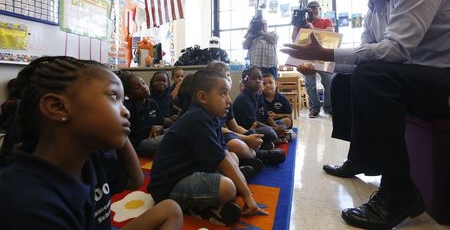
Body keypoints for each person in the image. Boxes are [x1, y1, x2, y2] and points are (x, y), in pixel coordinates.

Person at [281, 0, 450, 229]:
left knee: (371, 75)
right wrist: (321, 66)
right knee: (348, 79)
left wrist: (329, 53)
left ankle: (398, 192)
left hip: (442, 76)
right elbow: (366, 58)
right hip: (417, 76)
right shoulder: (374, 7)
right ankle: (360, 158)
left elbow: (395, 51)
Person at [0, 56, 183, 230]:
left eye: (123, 100)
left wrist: (119, 130)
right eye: (113, 97)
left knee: (170, 210)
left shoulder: (90, 159)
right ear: (57, 107)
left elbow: (135, 180)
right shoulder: (28, 201)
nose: (126, 111)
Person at [147, 69, 268, 227]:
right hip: (168, 187)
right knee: (229, 188)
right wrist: (247, 194)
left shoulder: (212, 117)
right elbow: (221, 160)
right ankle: (199, 209)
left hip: (192, 169)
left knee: (233, 156)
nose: (229, 100)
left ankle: (229, 184)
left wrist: (240, 183)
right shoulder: (197, 119)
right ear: (203, 97)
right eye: (223, 93)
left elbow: (223, 154)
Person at [291, 1, 333, 118]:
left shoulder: (326, 21)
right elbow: (295, 39)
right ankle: (314, 108)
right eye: (309, 9)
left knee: (329, 82)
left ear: (320, 9)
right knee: (310, 84)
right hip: (308, 58)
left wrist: (312, 28)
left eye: (314, 8)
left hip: (323, 57)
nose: (312, 10)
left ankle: (329, 107)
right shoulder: (302, 23)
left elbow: (331, 33)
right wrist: (296, 25)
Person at [233, 66, 289, 153]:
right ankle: (274, 139)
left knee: (282, 123)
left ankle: (272, 140)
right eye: (254, 78)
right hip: (248, 131)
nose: (258, 81)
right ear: (245, 81)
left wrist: (277, 128)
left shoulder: (258, 97)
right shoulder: (243, 99)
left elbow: (267, 116)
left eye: (260, 78)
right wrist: (274, 130)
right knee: (270, 132)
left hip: (261, 127)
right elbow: (254, 123)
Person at [119, 71, 167, 157]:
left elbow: (161, 123)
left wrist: (160, 127)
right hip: (141, 143)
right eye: (137, 87)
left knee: (178, 130)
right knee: (173, 138)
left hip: (155, 137)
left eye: (143, 83)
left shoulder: (152, 103)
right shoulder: (128, 108)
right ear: (130, 95)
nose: (144, 87)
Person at [243, 13, 279, 78]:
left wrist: (261, 32)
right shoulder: (250, 35)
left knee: (271, 84)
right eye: (261, 24)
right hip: (255, 65)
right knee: (254, 84)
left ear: (267, 25)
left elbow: (274, 40)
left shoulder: (272, 33)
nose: (262, 26)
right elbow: (245, 46)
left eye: (264, 24)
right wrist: (250, 35)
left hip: (271, 64)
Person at [262, 73, 296, 137]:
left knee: (288, 121)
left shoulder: (283, 99)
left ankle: (276, 132)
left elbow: (289, 115)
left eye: (270, 82)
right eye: (264, 84)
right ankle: (279, 134)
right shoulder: (259, 99)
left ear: (276, 84)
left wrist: (277, 115)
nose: (268, 85)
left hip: (279, 122)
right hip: (265, 123)